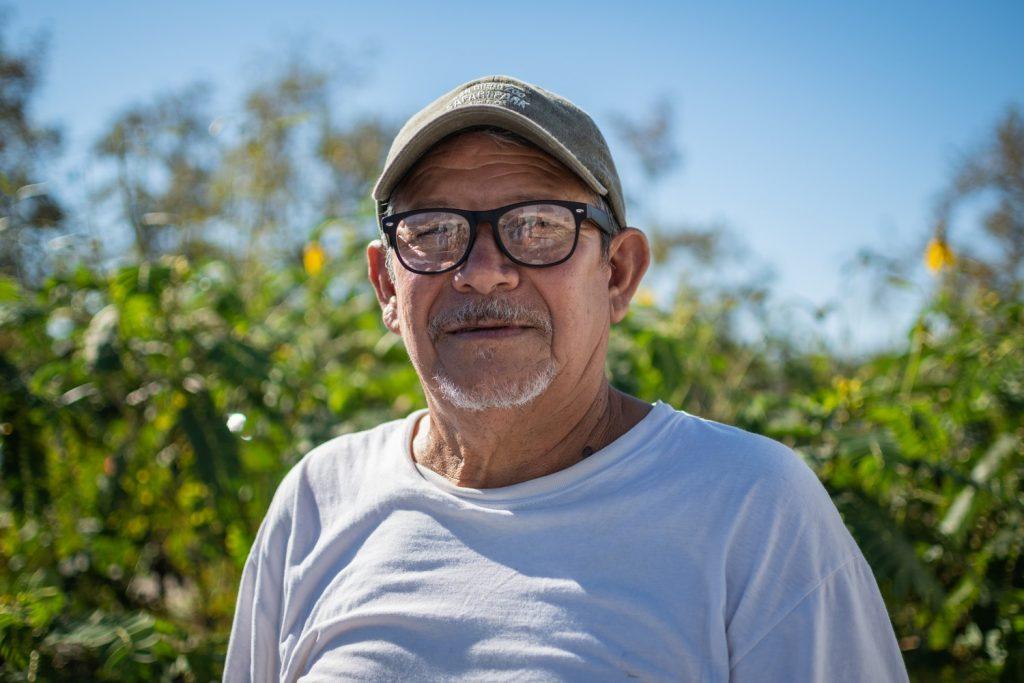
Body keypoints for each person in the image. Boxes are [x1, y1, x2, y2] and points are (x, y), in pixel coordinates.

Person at [224, 75, 909, 682]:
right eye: (432, 232)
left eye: (538, 226)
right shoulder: (318, 501)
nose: (482, 271)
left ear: (618, 273)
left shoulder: (750, 507)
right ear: (385, 284)